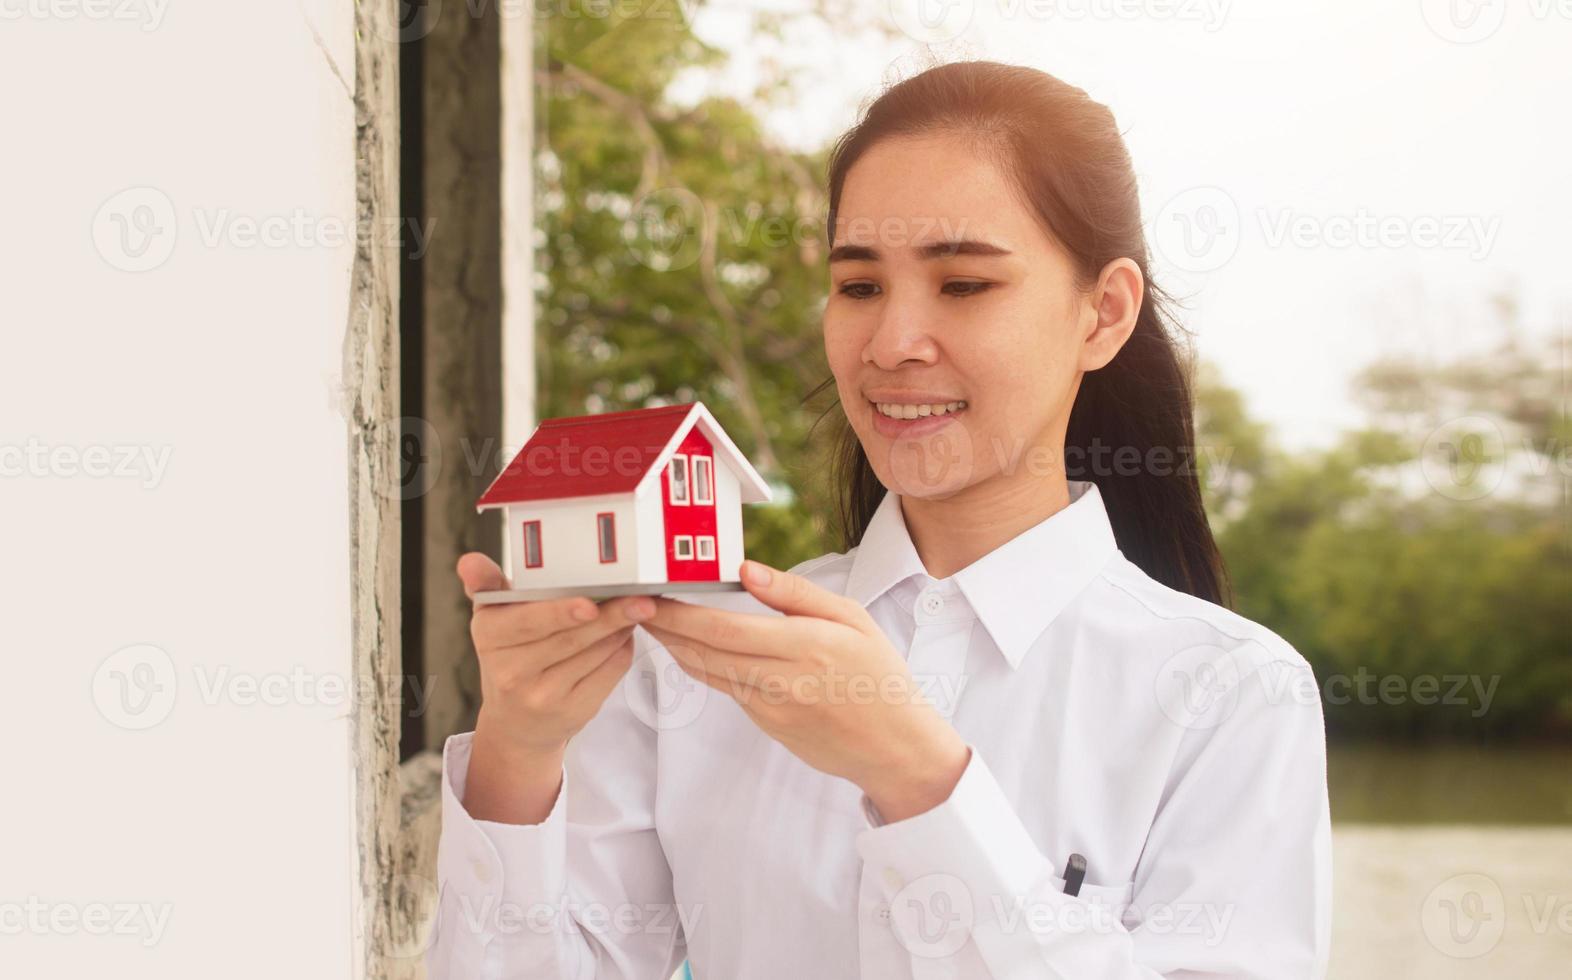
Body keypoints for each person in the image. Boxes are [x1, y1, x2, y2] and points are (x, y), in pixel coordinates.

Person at [426, 60, 1331, 979]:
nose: (894, 343)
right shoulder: (686, 653)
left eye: (965, 285)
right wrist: (520, 750)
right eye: (859, 287)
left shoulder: (1229, 695)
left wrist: (918, 779)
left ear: (1104, 314)